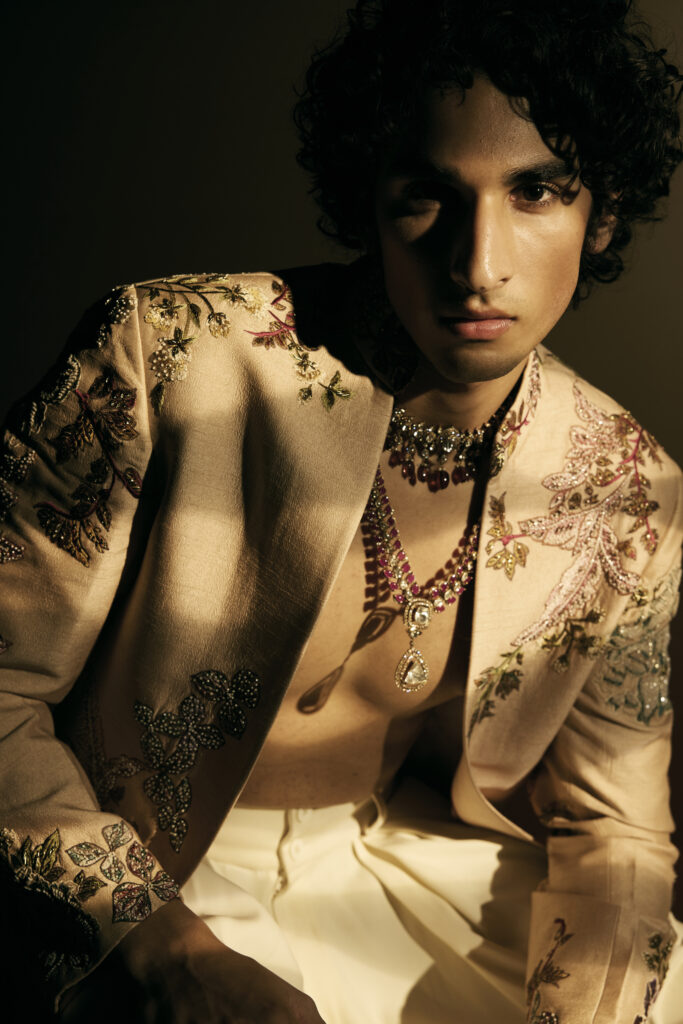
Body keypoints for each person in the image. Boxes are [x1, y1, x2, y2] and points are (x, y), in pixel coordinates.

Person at [1, 0, 682, 1021]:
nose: (477, 264)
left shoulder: (627, 491)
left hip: (394, 863)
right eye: (426, 196)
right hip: (133, 868)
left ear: (605, 212)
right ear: (368, 200)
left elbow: (612, 832)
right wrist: (164, 954)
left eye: (536, 192)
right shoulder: (170, 355)